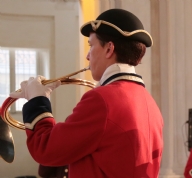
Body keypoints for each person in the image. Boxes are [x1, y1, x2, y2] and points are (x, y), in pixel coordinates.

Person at [9, 9, 163, 177]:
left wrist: (37, 101)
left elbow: (46, 149)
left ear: (109, 49)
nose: (88, 56)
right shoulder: (149, 101)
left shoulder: (102, 100)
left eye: (91, 46)